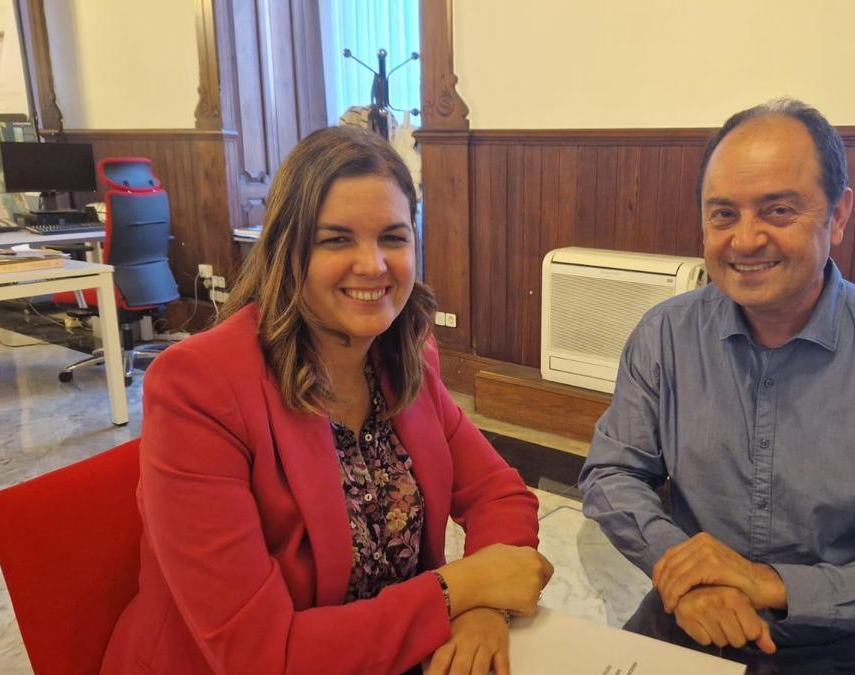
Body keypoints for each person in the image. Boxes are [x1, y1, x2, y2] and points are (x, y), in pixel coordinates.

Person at [102, 126, 553, 675]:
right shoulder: (197, 387)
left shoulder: (403, 356)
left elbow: (500, 494)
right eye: (336, 239)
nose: (373, 265)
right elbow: (261, 656)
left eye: (393, 237)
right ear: (287, 250)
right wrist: (457, 589)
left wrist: (481, 612)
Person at [578, 99, 855, 671]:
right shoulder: (665, 336)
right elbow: (611, 472)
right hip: (702, 615)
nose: (745, 241)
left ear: (839, 214)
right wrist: (682, 562)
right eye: (723, 214)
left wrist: (769, 584)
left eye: (778, 211)